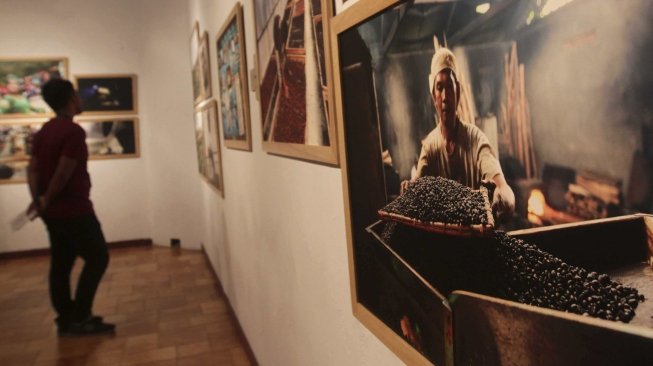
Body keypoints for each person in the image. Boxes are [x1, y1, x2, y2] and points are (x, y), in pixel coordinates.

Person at [26, 79, 115, 336]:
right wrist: (48, 197)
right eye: (76, 94)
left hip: (52, 213)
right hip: (74, 209)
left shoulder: (44, 131)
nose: (80, 98)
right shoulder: (72, 132)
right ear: (70, 99)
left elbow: (32, 169)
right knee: (98, 257)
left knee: (62, 263)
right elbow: (64, 171)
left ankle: (66, 319)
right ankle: (80, 315)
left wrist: (39, 200)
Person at [401, 47, 515, 220]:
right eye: (439, 88)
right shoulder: (430, 147)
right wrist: (409, 188)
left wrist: (504, 197)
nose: (445, 96)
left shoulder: (476, 139)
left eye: (450, 87)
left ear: (458, 92)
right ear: (434, 97)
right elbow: (418, 186)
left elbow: (502, 186)